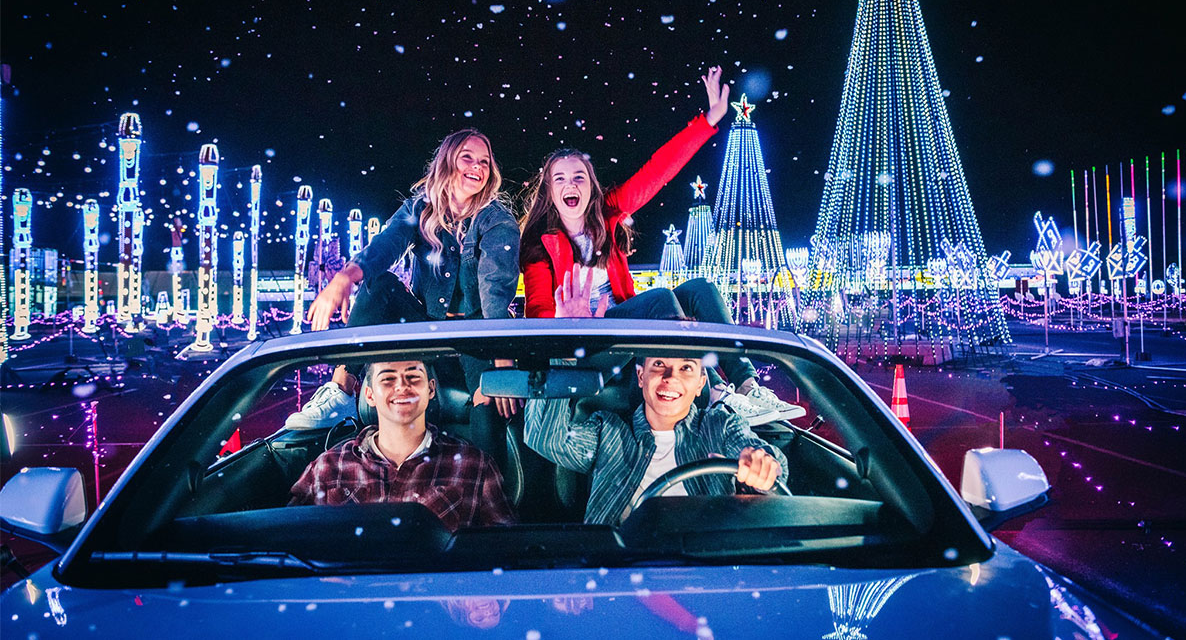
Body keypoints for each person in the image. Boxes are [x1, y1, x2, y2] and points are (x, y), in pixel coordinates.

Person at [518, 67, 802, 421]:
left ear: (591, 187)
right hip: (587, 343)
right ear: (550, 192)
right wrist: (564, 321)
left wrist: (709, 120)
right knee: (659, 299)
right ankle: (714, 393)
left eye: (579, 177)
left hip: (622, 327)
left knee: (701, 288)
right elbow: (537, 313)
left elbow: (657, 172)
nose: (570, 184)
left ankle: (747, 385)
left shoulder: (608, 214)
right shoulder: (539, 244)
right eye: (560, 179)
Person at [288, 129, 522, 430]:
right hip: (426, 327)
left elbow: (495, 288)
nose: (477, 166)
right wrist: (343, 278)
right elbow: (386, 245)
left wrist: (501, 360)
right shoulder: (419, 208)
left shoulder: (497, 220)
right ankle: (341, 391)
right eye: (467, 158)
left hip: (477, 334)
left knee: (489, 403)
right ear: (447, 162)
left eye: (484, 162)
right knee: (381, 284)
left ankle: (482, 456)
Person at [524, 355, 788, 526]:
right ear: (641, 377)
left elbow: (768, 460)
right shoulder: (609, 430)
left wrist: (764, 466)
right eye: (659, 364)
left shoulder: (721, 425)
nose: (671, 377)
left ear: (700, 384)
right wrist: (564, 357)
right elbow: (546, 438)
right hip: (619, 573)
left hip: (707, 571)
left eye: (686, 367)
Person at [289, 360, 516, 532]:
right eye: (388, 379)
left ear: (431, 389)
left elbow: (505, 551)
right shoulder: (328, 466)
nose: (402, 387)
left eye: (413, 377)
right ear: (369, 395)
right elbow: (287, 542)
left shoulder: (473, 465)